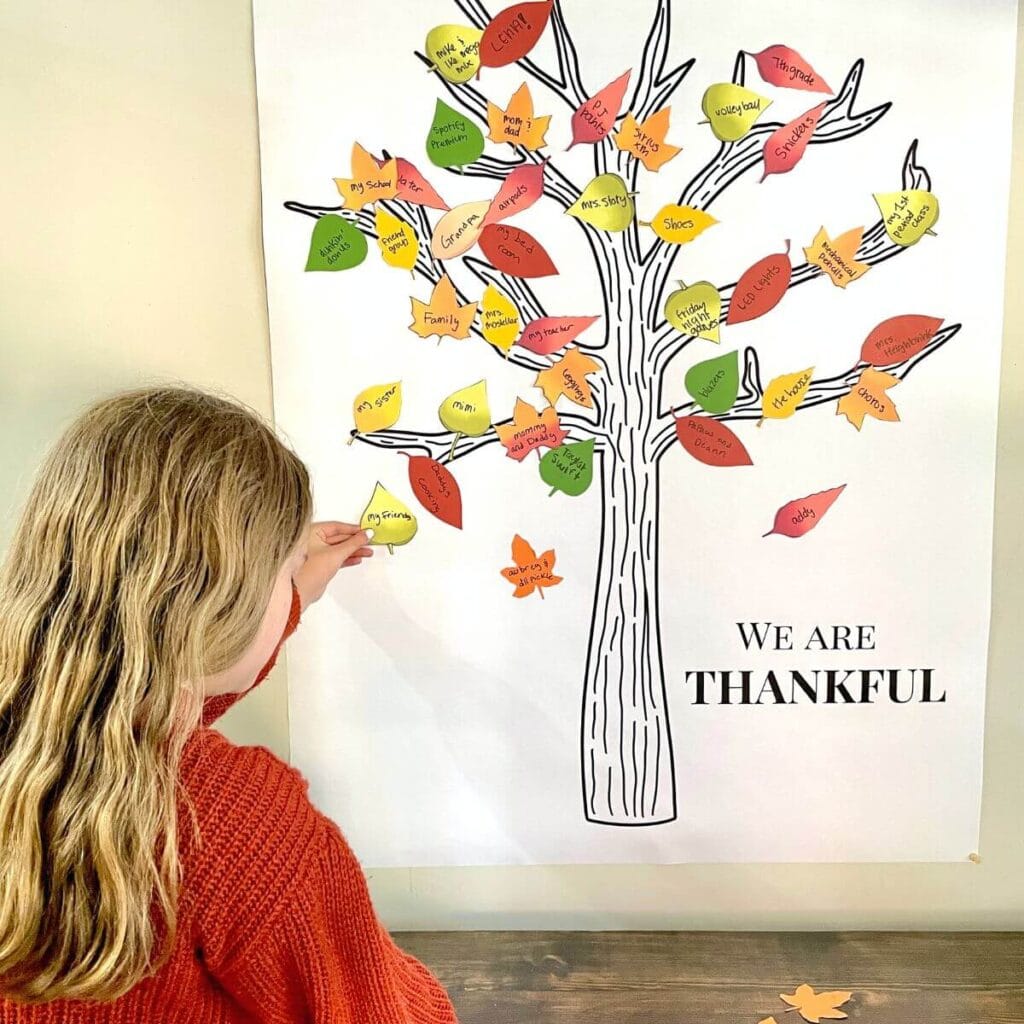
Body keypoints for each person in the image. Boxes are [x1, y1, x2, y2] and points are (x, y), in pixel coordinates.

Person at [0, 386, 458, 1023]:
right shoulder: (236, 819)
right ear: (225, 606)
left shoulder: (45, 737)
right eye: (285, 561)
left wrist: (288, 591)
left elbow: (158, 704)